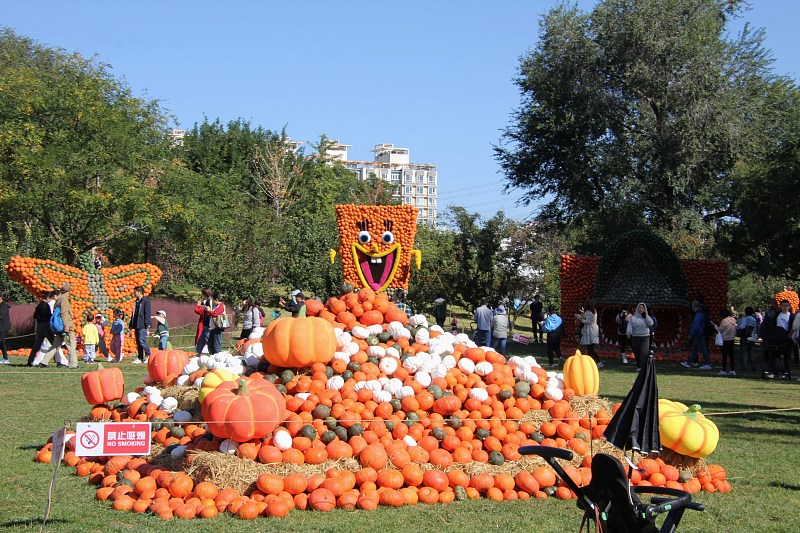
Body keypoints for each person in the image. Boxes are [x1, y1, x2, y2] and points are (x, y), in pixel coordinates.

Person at [40, 283, 78, 368]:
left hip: (59, 326)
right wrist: (66, 326)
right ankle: (73, 364)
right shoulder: (64, 300)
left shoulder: (58, 299)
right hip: (65, 326)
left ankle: (44, 361)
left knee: (56, 345)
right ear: (68, 291)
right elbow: (64, 313)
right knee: (71, 345)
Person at [761, 302, 794, 379]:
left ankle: (786, 371)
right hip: (776, 337)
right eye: (783, 305)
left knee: (787, 355)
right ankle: (774, 371)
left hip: (786, 338)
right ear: (780, 306)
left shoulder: (792, 316)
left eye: (786, 305)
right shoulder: (777, 315)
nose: (785, 307)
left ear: (789, 307)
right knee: (773, 354)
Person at [682, 301, 711, 370]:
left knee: (703, 349)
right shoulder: (701, 313)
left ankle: (708, 363)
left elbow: (696, 326)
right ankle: (689, 362)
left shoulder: (698, 315)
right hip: (699, 333)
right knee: (694, 349)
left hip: (699, 334)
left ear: (693, 306)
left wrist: (691, 334)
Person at [28, 291, 53, 366]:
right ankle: (59, 361)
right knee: (54, 343)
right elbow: (49, 316)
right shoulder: (46, 306)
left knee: (36, 345)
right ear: (48, 298)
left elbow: (35, 316)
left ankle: (30, 360)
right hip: (45, 326)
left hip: (39, 326)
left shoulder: (38, 305)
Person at [627, 303, 654, 371]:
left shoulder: (647, 317)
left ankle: (643, 367)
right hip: (635, 337)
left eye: (642, 308)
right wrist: (629, 332)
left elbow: (651, 323)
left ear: (644, 309)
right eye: (640, 308)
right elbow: (630, 326)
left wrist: (646, 316)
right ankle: (638, 366)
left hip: (645, 337)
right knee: (637, 352)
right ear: (637, 309)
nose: (641, 309)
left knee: (644, 352)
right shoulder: (633, 318)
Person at [129, 285, 152, 364]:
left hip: (142, 324)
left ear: (140, 292)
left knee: (142, 340)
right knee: (138, 342)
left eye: (135, 292)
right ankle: (140, 357)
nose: (134, 294)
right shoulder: (136, 302)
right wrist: (131, 325)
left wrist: (148, 324)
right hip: (136, 324)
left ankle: (149, 355)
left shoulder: (146, 301)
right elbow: (134, 314)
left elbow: (147, 313)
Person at [577, 300, 602, 368]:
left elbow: (587, 321)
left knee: (590, 349)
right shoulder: (594, 311)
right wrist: (583, 314)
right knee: (590, 348)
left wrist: (580, 318)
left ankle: (596, 363)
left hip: (589, 331)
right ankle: (594, 363)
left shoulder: (589, 312)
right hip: (593, 331)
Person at [715, 309, 737, 376]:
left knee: (724, 355)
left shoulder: (724, 321)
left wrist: (715, 326)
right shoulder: (733, 320)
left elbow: (720, 330)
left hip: (725, 340)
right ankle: (732, 370)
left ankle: (724, 370)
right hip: (732, 339)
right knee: (731, 355)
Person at [737, 306, 758, 372]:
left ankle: (744, 366)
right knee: (752, 353)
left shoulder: (745, 319)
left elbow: (742, 326)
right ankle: (753, 366)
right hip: (752, 338)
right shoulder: (754, 319)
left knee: (744, 353)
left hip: (745, 337)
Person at [194, 288, 213, 354]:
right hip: (205, 323)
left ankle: (213, 354)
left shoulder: (210, 301)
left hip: (208, 323)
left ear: (205, 294)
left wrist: (201, 306)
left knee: (208, 339)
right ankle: (198, 353)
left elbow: (210, 310)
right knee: (201, 340)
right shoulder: (208, 300)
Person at [0, 292, 10, 364]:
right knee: (2, 342)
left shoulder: (3, 305)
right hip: (1, 327)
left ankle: (5, 358)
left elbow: (1, 316)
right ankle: (5, 358)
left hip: (3, 327)